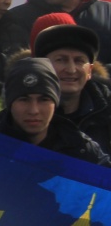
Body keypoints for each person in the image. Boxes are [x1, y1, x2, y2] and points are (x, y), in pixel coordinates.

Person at [0, 58, 110, 164]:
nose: (34, 110)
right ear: (10, 104)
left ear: (55, 102)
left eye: (44, 99)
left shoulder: (83, 150)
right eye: (24, 100)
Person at [33, 18, 109, 151]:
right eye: (61, 60)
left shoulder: (106, 111)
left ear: (90, 71)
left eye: (79, 61)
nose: (71, 69)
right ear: (41, 65)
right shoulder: (21, 111)